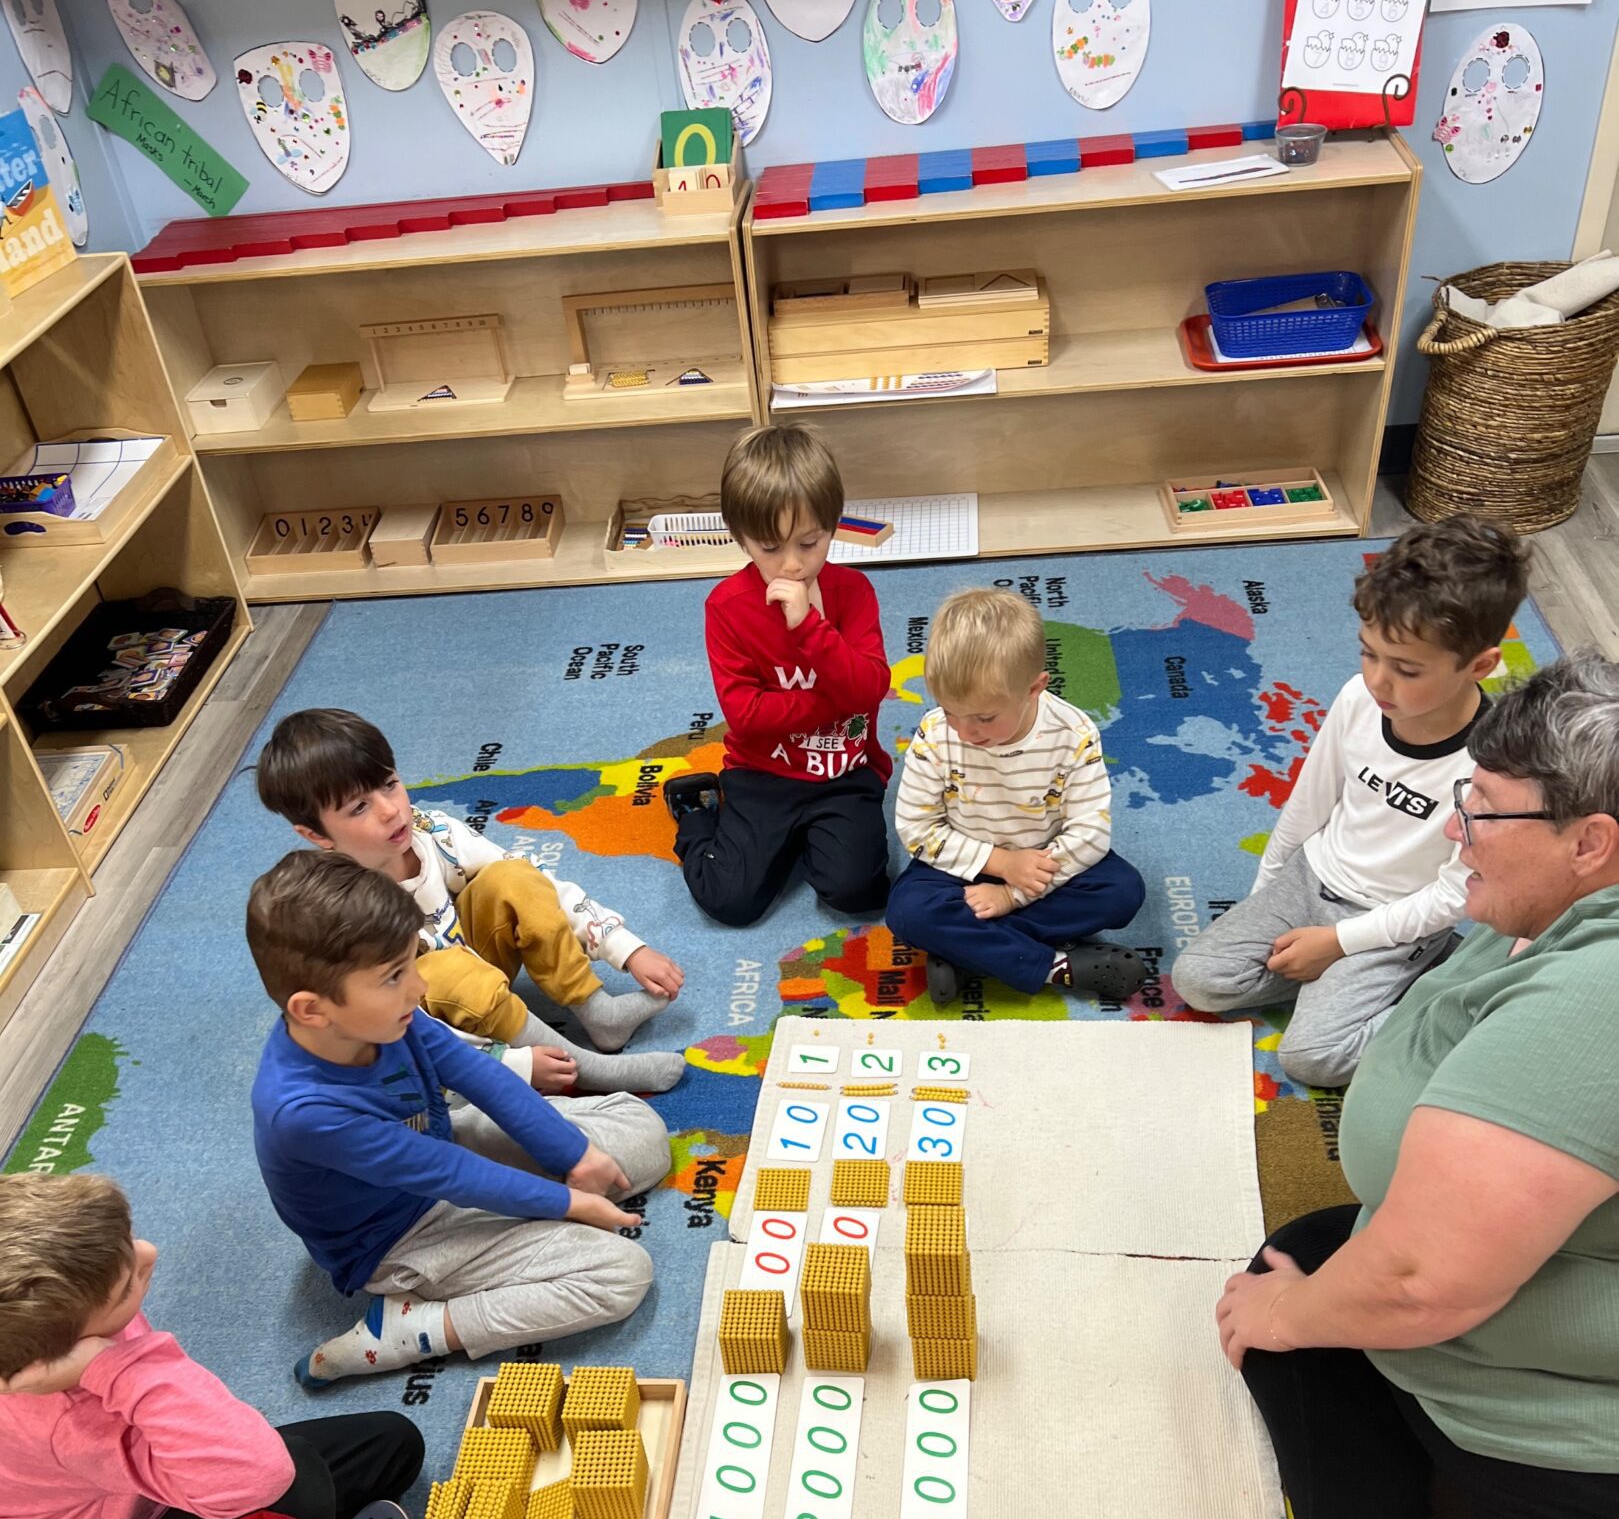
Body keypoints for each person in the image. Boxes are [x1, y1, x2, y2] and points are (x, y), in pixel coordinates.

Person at [1213, 655, 1619, 1519]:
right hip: (1491, 1342)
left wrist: (1303, 1316)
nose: (1455, 830)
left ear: (1591, 842)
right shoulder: (1549, 906)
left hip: (1579, 1451)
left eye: (1482, 812)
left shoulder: (1599, 1005)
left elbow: (1419, 1278)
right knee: (1302, 1261)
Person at [0, 1172, 424, 1519]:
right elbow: (262, 1473)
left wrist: (109, 1355)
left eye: (129, 1240)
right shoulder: (69, 1413)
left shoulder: (47, 1341)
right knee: (287, 1483)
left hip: (139, 1501)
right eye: (126, 1285)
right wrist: (114, 1367)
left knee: (392, 1447)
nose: (148, 1254)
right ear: (71, 1348)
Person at [247, 851, 670, 1386]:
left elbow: (476, 1074)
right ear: (312, 1009)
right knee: (622, 1274)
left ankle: (549, 1198)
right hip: (398, 1236)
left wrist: (575, 1155)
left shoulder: (387, 1015)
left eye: (412, 962)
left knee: (643, 1134)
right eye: (394, 976)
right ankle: (414, 1327)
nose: (419, 988)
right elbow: (450, 1174)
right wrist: (568, 1202)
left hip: (442, 1147)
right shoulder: (304, 1112)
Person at [1172, 517, 1529, 1086]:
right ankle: (1357, 983)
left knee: (1313, 1057)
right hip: (1312, 876)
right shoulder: (1358, 697)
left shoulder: (1491, 766)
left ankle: (1451, 994)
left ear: (1480, 665)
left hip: (1399, 917)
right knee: (1198, 981)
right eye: (1369, 654)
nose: (1378, 681)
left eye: (1406, 669)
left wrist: (1340, 944)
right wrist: (1265, 894)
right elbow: (1309, 803)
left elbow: (1452, 893)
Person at [257, 707, 684, 1097]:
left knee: (516, 877)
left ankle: (597, 1013)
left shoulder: (433, 832)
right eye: (359, 808)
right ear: (316, 835)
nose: (390, 811)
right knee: (451, 970)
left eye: (390, 784)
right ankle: (590, 1069)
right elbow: (394, 1024)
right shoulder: (340, 904)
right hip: (418, 1011)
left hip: (479, 968)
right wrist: (513, 1064)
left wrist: (625, 947)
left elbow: (539, 884)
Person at [663, 423, 892, 927]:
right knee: (730, 902)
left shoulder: (854, 592)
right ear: (741, 539)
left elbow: (872, 687)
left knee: (859, 891)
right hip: (763, 773)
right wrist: (836, 702)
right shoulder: (727, 607)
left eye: (809, 542)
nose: (792, 565)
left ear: (832, 526)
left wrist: (810, 627)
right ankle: (696, 814)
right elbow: (747, 717)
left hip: (844, 771)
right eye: (770, 548)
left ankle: (802, 839)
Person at [885, 588, 1147, 1005]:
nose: (964, 732)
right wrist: (1002, 864)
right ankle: (1051, 966)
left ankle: (970, 952)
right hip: (962, 864)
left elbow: (1090, 833)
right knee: (907, 912)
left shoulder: (1074, 733)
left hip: (1045, 863)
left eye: (984, 717)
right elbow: (918, 829)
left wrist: (1014, 894)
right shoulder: (935, 734)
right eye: (950, 711)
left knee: (1122, 890)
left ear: (1034, 688)